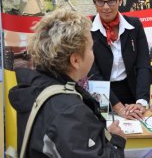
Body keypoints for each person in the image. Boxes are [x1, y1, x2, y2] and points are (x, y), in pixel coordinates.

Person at [9, 9, 126, 157]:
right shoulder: (69, 111)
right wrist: (116, 141)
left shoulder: (36, 89)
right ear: (75, 60)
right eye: (91, 48)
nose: (93, 52)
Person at [89, 0, 151, 120]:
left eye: (111, 1)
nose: (105, 7)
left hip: (131, 93)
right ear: (94, 1)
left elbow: (143, 64)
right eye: (100, 2)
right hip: (100, 95)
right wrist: (118, 107)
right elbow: (93, 74)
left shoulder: (134, 25)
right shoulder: (87, 29)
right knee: (107, 131)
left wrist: (141, 102)